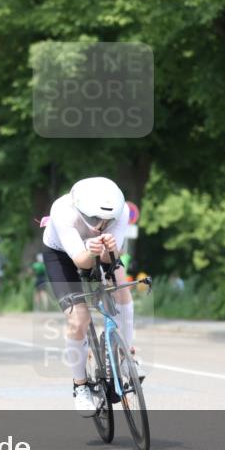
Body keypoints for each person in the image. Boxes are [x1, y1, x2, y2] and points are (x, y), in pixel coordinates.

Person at [41, 176, 141, 415]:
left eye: (108, 220)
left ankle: (125, 358)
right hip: (63, 254)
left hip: (99, 250)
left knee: (123, 293)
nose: (101, 224)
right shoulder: (62, 211)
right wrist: (91, 249)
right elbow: (81, 261)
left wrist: (108, 249)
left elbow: (110, 259)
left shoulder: (122, 211)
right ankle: (80, 386)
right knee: (79, 320)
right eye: (95, 219)